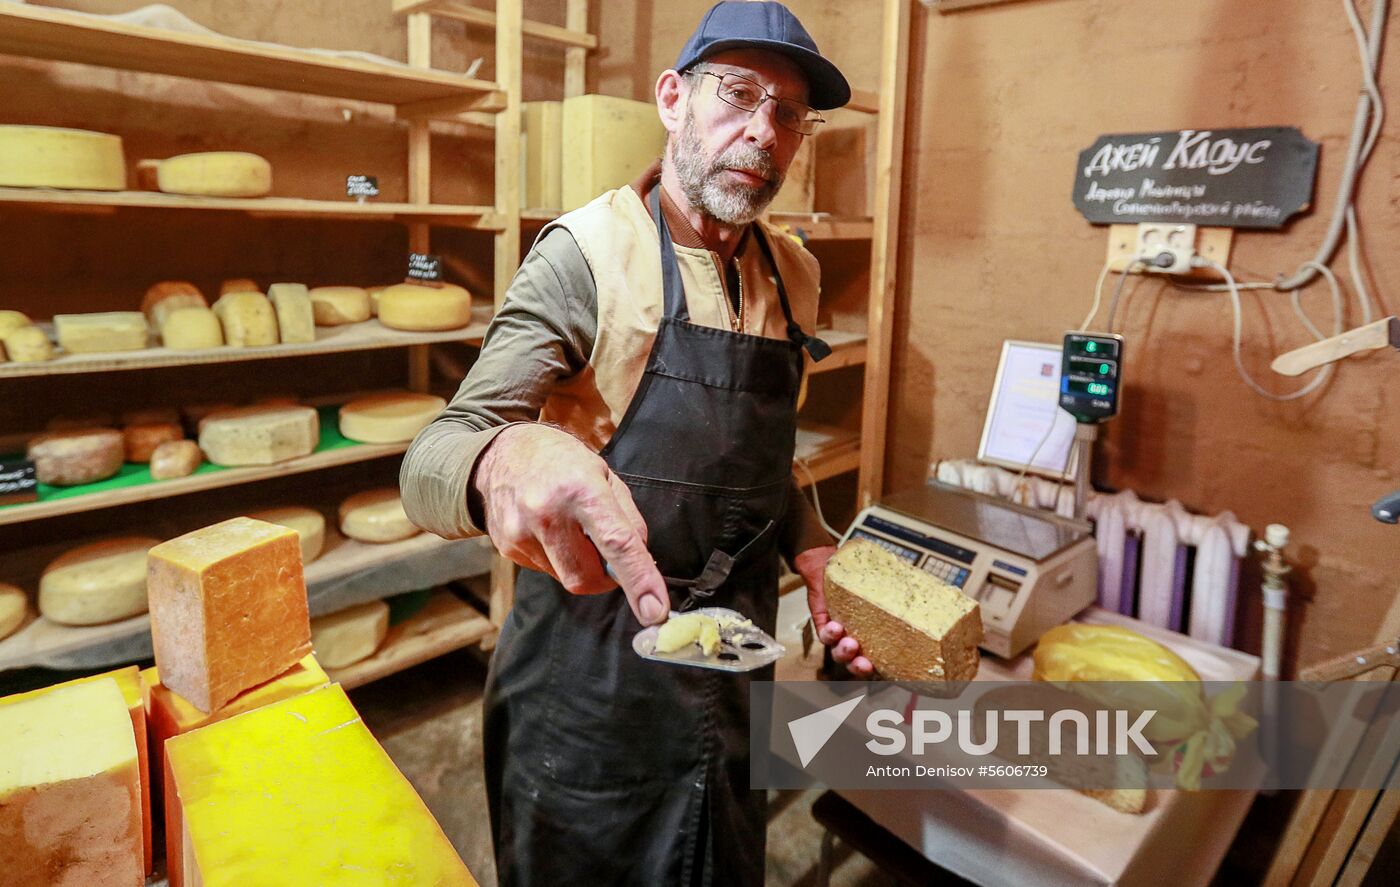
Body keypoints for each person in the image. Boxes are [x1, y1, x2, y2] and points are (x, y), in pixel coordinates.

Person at [401, 2, 871, 883]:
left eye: (789, 114)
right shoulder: (586, 255)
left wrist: (811, 545)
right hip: (592, 685)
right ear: (672, 99)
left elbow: (759, 457)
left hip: (736, 671)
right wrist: (501, 459)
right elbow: (432, 457)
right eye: (739, 94)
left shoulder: (795, 274)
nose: (763, 132)